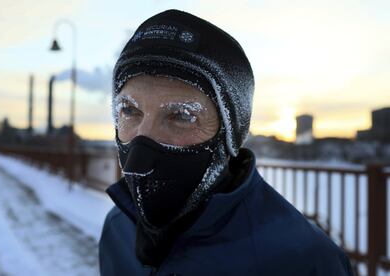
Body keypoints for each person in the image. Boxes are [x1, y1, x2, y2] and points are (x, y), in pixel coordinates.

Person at [99, 9, 354, 275]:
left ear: (229, 136)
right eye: (129, 110)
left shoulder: (305, 261)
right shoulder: (118, 228)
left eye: (182, 115)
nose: (140, 152)